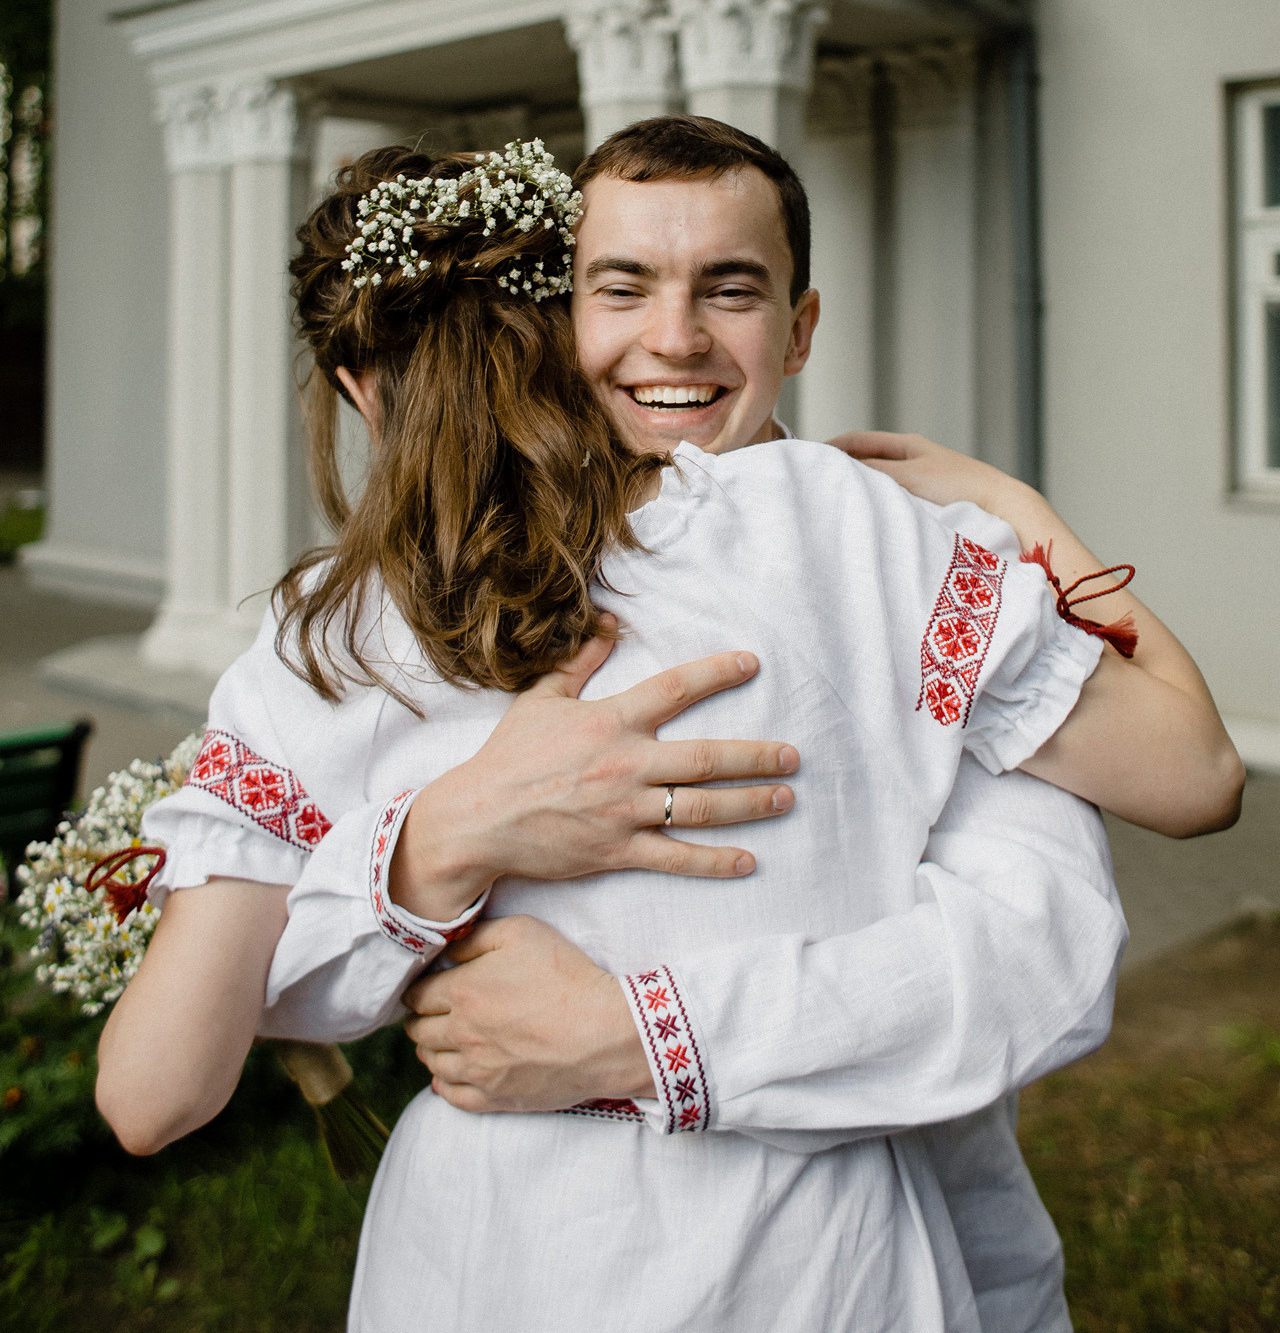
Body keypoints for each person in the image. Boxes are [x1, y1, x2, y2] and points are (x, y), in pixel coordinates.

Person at [95, 125, 1242, 1333]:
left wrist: (618, 1025)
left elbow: (154, 1090)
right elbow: (1191, 779)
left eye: (726, 289)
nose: (674, 338)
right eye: (624, 287)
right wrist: (438, 841)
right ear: (553, 321)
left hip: (592, 1239)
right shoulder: (852, 530)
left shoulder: (327, 629)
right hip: (778, 1248)